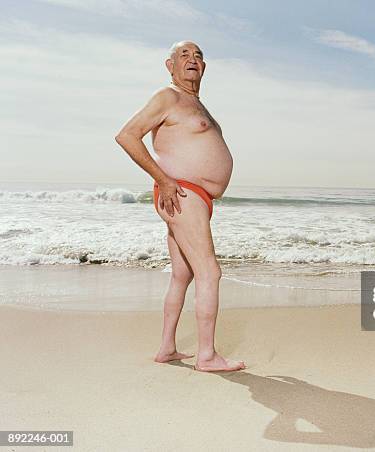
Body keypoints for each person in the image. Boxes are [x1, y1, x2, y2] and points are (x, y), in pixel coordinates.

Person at [115, 40, 246, 372]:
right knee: (209, 272)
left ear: (204, 67)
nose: (193, 59)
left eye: (199, 55)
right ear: (169, 65)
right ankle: (207, 356)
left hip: (194, 197)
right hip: (182, 193)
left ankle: (167, 348)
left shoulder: (196, 104)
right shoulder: (168, 97)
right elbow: (128, 135)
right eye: (184, 55)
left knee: (182, 274)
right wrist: (165, 180)